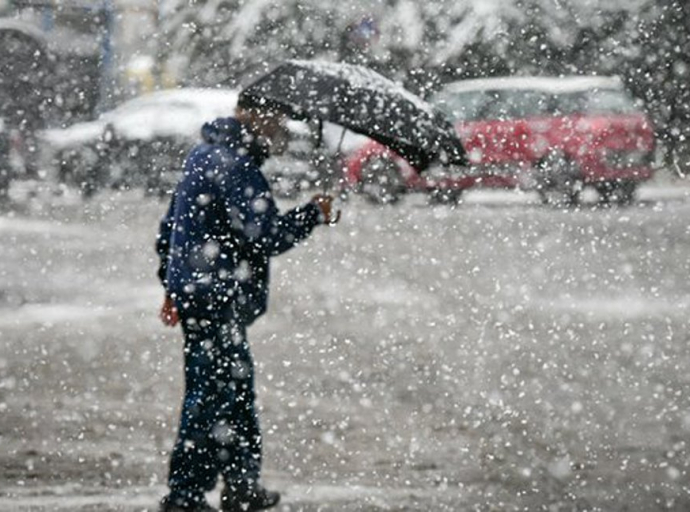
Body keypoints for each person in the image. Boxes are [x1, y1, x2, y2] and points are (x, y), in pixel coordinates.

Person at [155, 106, 338, 512]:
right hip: (216, 297)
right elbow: (266, 235)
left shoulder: (205, 154)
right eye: (275, 121)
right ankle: (186, 495)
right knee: (213, 396)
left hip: (201, 294)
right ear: (254, 118)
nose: (282, 131)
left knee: (233, 391)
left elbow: (172, 226)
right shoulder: (236, 165)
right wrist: (313, 214)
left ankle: (241, 484)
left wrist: (171, 284)